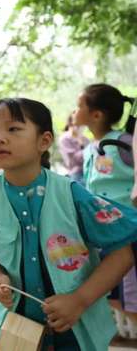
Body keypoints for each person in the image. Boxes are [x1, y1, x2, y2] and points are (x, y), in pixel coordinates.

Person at [0, 98, 137, 349]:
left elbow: (123, 255)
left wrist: (79, 300)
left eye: (13, 129)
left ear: (44, 141)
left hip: (73, 332)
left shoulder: (72, 195)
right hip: (15, 330)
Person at [73, 83, 137, 321]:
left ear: (96, 115)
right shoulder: (91, 149)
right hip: (107, 234)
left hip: (129, 233)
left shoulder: (124, 142)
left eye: (79, 106)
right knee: (115, 298)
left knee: (131, 301)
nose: (75, 110)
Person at [58, 115, 89, 183]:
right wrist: (82, 145)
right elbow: (74, 159)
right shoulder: (65, 138)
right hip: (77, 174)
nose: (81, 127)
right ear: (71, 124)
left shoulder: (85, 139)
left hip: (88, 172)